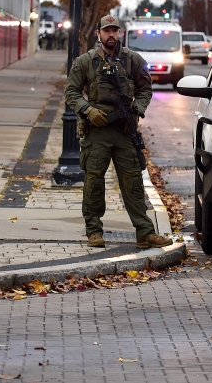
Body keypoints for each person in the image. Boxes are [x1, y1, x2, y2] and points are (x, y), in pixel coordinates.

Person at [64, 14, 173, 250]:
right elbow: (71, 93)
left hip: (124, 131)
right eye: (107, 31)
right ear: (99, 34)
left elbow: (145, 89)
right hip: (97, 132)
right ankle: (94, 231)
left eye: (115, 30)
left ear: (119, 33)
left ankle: (145, 232)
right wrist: (88, 110)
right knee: (94, 181)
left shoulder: (133, 60)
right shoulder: (85, 61)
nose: (111, 34)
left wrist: (137, 110)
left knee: (133, 181)